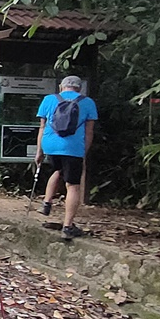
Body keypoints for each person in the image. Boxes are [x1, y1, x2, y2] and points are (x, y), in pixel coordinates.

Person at [34, 75, 98, 241]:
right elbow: (89, 131)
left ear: (62, 87)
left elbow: (42, 126)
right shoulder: (88, 102)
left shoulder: (49, 99)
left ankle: (46, 203)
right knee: (73, 185)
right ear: (79, 88)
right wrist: (83, 152)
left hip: (50, 145)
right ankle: (68, 226)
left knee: (57, 170)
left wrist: (39, 151)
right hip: (72, 147)